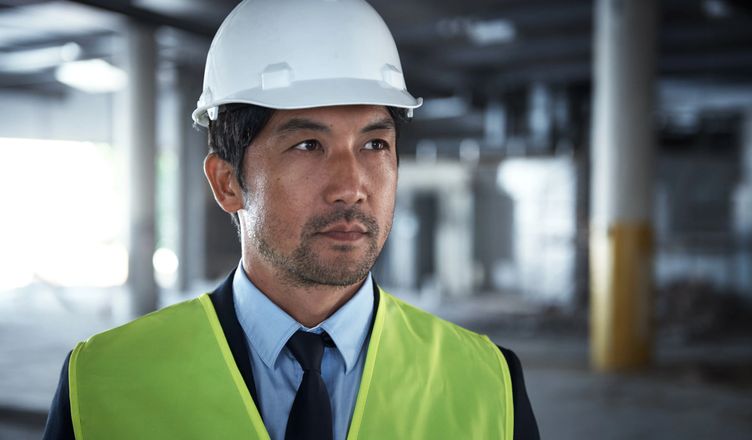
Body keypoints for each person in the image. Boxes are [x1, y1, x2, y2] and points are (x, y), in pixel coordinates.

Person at [44, 0, 540, 438]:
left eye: (374, 145)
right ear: (227, 183)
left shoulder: (487, 382)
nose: (351, 186)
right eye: (308, 145)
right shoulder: (102, 384)